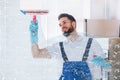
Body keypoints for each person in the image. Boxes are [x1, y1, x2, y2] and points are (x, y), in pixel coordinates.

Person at [29, 13, 109, 80]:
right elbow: (36, 54)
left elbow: (107, 68)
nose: (62, 26)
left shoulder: (91, 43)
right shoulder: (59, 47)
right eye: (60, 25)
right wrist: (33, 36)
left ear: (73, 24)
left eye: (64, 22)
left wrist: (102, 63)